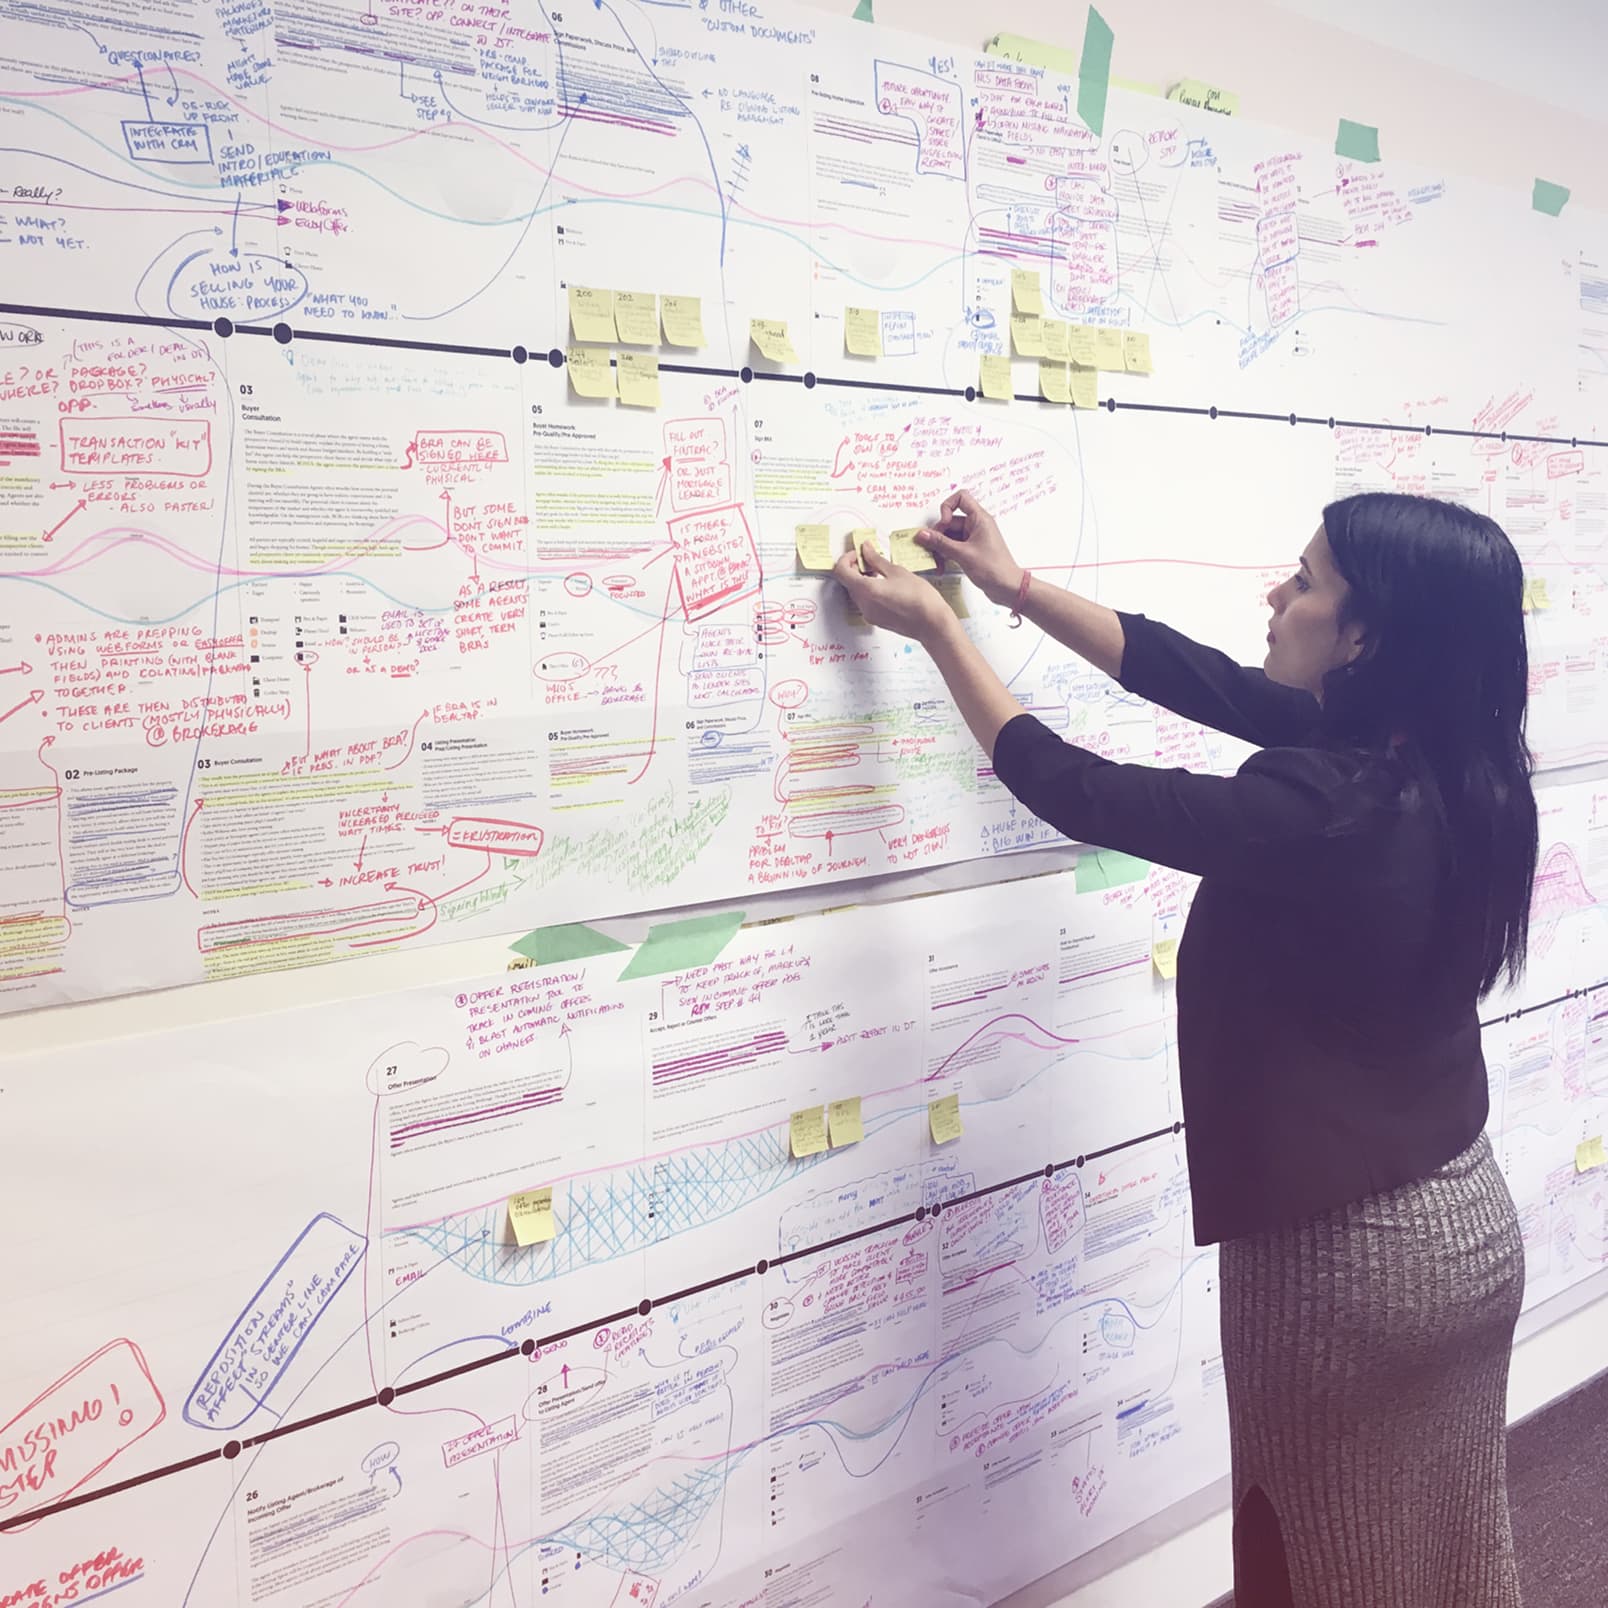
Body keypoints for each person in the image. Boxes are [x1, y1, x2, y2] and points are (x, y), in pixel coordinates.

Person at [834, 489, 1537, 1608]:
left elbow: (1080, 791)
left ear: (1366, 637)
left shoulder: (1326, 805)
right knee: (1446, 1555)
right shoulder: (1450, 764)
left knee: (1311, 1561)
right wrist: (1016, 589)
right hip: (1462, 1230)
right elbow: (1199, 678)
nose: (1275, 595)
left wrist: (941, 632)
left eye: (1305, 582)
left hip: (1346, 1271)